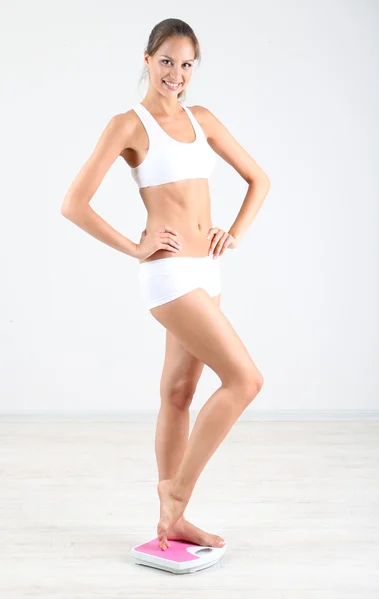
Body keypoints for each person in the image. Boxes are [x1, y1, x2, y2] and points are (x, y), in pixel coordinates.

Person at [61, 18, 270, 552]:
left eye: (186, 64)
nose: (176, 74)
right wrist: (135, 246)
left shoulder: (203, 119)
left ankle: (170, 522)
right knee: (245, 380)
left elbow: (259, 178)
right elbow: (74, 204)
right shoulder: (128, 125)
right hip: (170, 274)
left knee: (179, 394)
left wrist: (234, 232)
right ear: (147, 59)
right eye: (166, 61)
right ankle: (176, 493)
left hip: (207, 271)